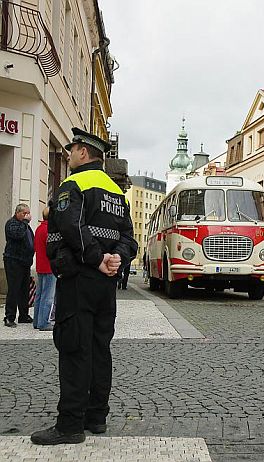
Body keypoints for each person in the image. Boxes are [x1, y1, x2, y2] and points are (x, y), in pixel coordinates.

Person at [31, 127, 137, 446]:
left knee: (75, 348)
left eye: (71, 149)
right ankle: (96, 417)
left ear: (82, 153)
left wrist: (97, 258)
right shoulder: (116, 192)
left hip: (79, 280)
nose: (67, 154)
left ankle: (69, 424)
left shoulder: (73, 184)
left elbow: (69, 225)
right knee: (100, 349)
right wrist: (116, 258)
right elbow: (129, 239)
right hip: (105, 285)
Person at [3, 204, 34, 327]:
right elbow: (18, 235)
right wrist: (25, 222)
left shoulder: (24, 225)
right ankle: (9, 317)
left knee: (24, 290)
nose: (27, 215)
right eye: (24, 213)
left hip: (24, 262)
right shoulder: (13, 223)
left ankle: (23, 315)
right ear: (17, 213)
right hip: (13, 261)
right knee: (14, 289)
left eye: (28, 213)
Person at [33, 207, 56, 331]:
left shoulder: (39, 228)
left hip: (40, 265)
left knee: (39, 295)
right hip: (49, 266)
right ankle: (43, 322)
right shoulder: (49, 230)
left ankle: (37, 321)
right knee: (48, 296)